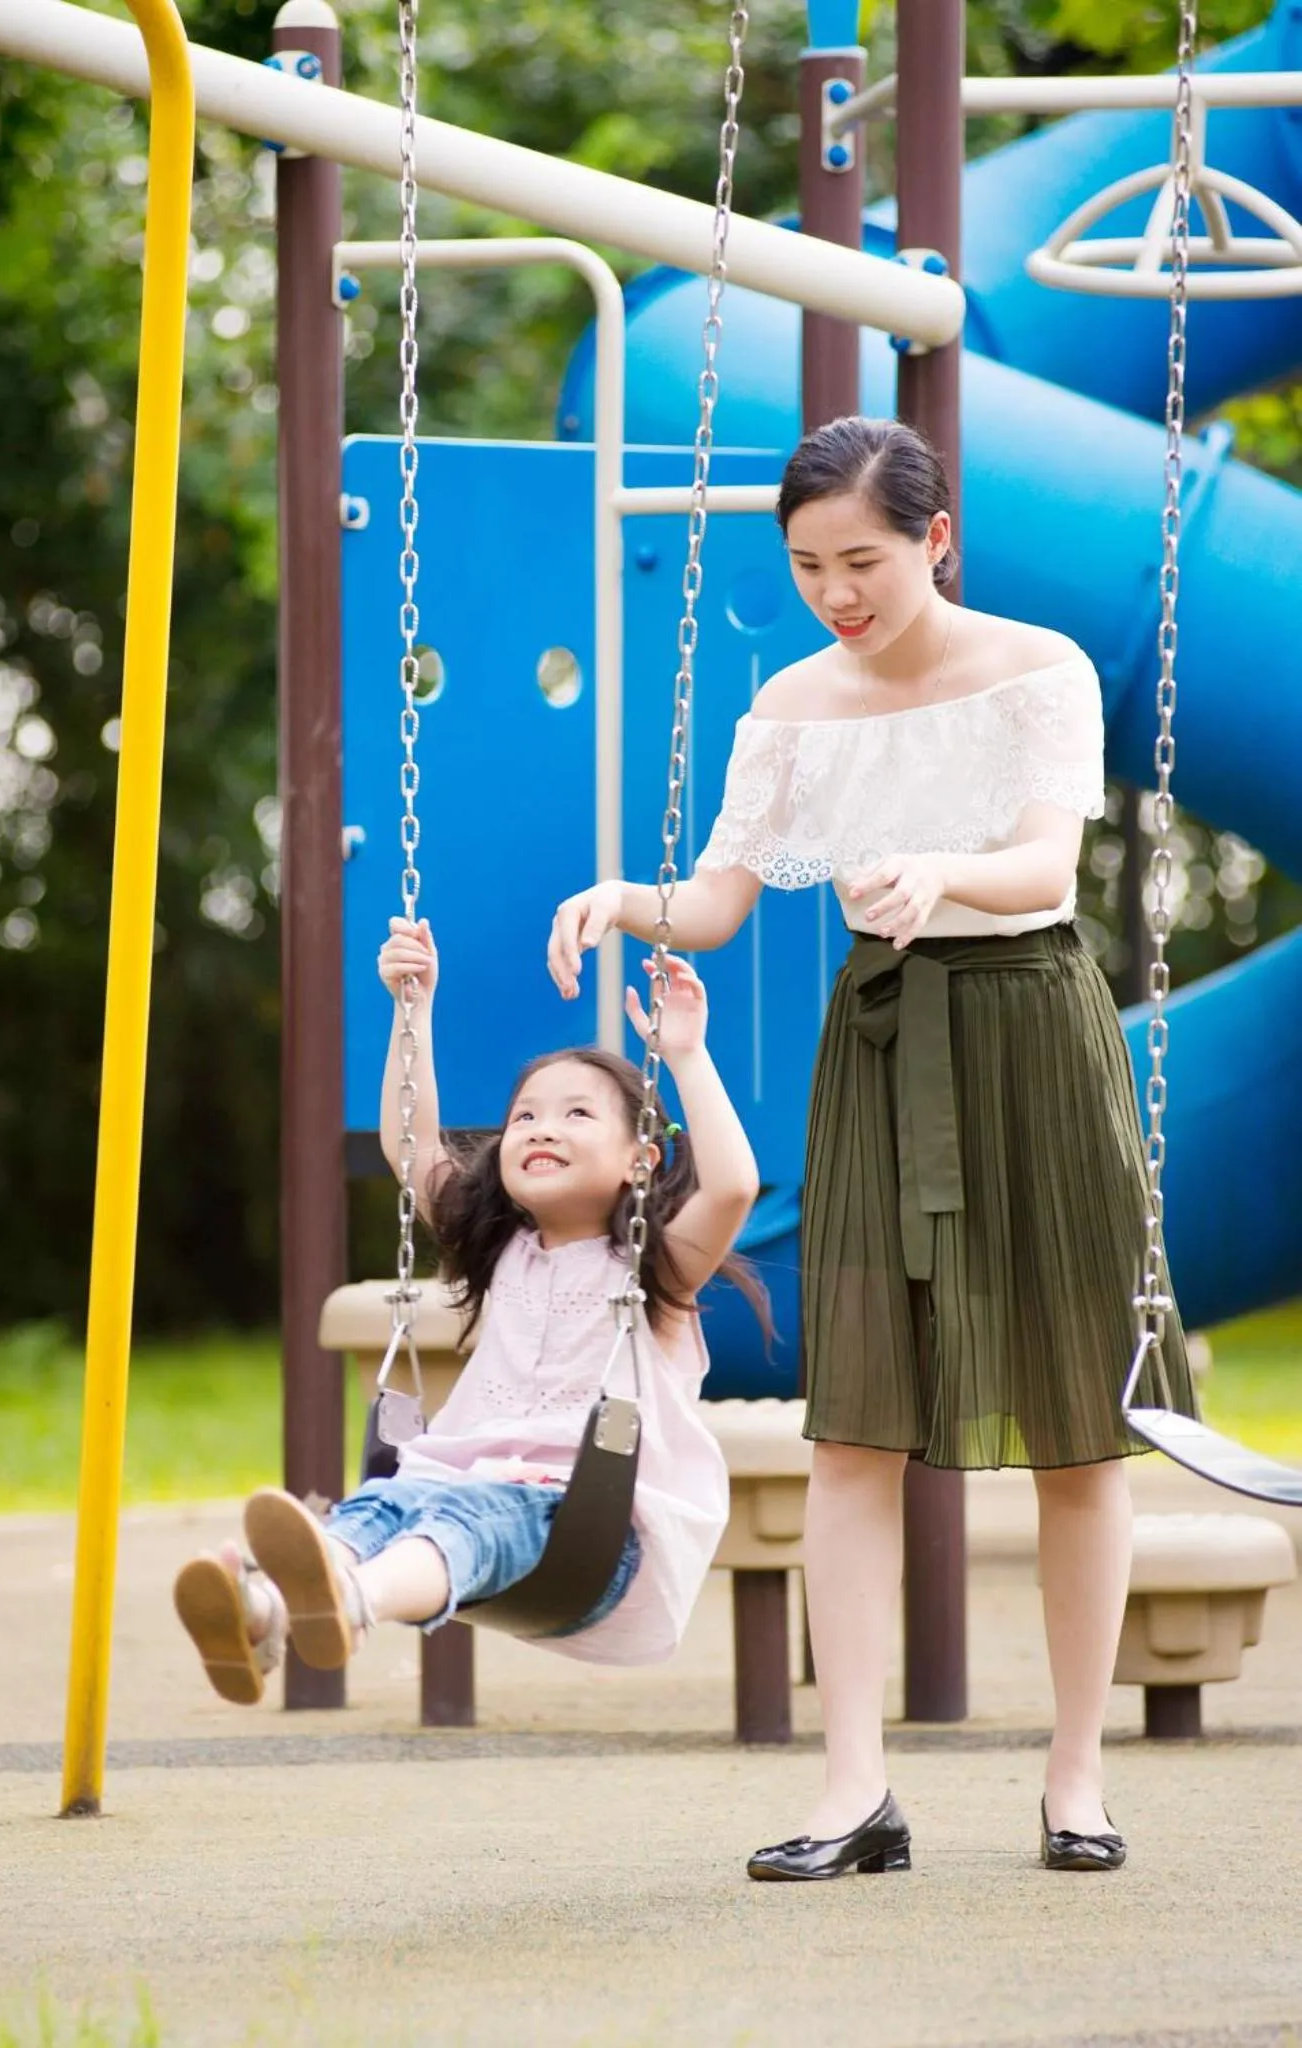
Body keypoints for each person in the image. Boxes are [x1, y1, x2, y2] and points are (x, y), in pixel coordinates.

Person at [547, 414, 1196, 1879]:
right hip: (878, 1040)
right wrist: (620, 898)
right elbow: (714, 898)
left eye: (862, 560)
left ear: (934, 540)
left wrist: (937, 870)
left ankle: (1074, 1779)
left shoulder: (1038, 668)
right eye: (806, 565)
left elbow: (1039, 866)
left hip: (1030, 1030)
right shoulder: (786, 704)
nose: (836, 590)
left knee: (1071, 1424)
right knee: (851, 1425)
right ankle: (854, 1791)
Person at [173, 916, 761, 1701]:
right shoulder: (500, 1249)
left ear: (639, 1160)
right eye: (524, 1116)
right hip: (456, 1484)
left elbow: (731, 1188)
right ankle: (267, 1612)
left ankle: (351, 1602)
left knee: (457, 1524)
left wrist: (683, 1054)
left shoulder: (652, 1271)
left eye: (576, 1115)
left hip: (583, 1526)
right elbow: (411, 1151)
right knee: (380, 1508)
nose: (541, 1128)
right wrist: (411, 1009)